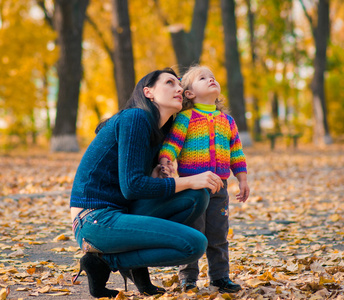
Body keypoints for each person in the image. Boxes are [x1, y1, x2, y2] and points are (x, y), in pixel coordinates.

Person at [70, 68, 225, 298]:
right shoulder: (136, 118)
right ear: (148, 92)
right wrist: (190, 180)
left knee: (197, 196)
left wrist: (160, 172)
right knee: (194, 244)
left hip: (121, 211)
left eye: (180, 85)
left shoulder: (158, 131)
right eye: (170, 83)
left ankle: (133, 267)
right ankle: (104, 261)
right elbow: (132, 186)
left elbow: (139, 189)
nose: (179, 88)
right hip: (94, 220)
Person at [159, 65, 250, 293]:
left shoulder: (227, 121)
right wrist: (165, 161)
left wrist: (243, 179)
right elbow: (173, 144)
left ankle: (220, 277)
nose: (211, 80)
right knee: (193, 233)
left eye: (213, 77)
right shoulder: (185, 118)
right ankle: (187, 278)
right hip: (193, 190)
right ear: (189, 93)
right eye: (203, 78)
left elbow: (236, 152)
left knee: (218, 235)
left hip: (220, 189)